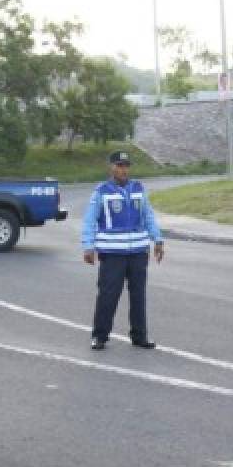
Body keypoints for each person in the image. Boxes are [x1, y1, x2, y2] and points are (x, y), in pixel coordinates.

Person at [81, 150, 165, 350]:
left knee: (138, 296)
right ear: (111, 167)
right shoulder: (101, 191)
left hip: (138, 251)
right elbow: (89, 220)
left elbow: (148, 215)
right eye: (119, 166)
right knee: (108, 295)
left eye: (126, 166)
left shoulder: (138, 188)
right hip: (112, 254)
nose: (123, 169)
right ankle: (100, 336)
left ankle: (140, 336)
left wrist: (158, 239)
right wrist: (88, 246)